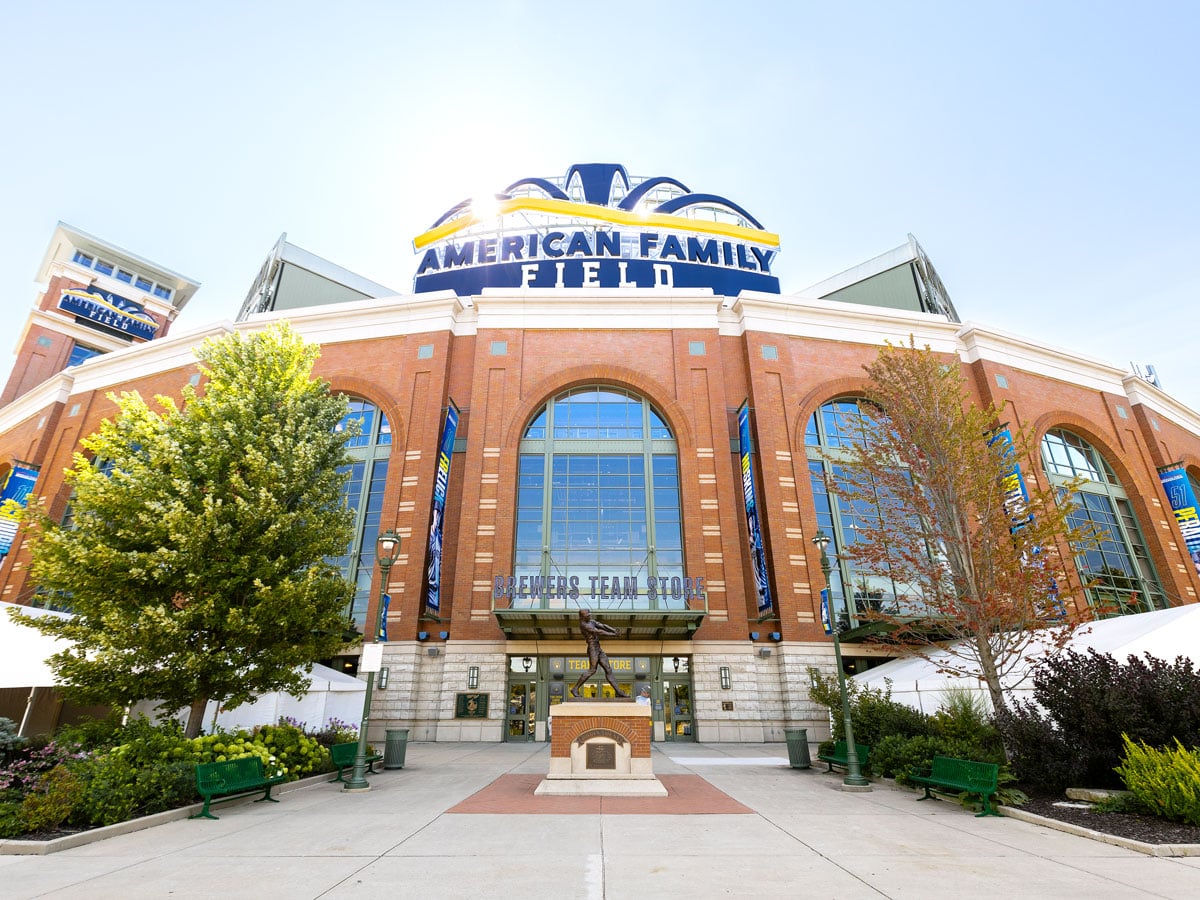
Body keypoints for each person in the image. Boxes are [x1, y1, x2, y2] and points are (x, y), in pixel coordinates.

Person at [571, 608, 628, 698]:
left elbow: (602, 626)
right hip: (592, 648)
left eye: (589, 614)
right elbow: (599, 631)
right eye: (587, 615)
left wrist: (614, 630)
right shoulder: (583, 625)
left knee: (608, 670)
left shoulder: (591, 621)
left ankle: (618, 691)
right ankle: (575, 688)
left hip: (598, 648)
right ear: (582, 617)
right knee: (592, 670)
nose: (590, 615)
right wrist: (614, 635)